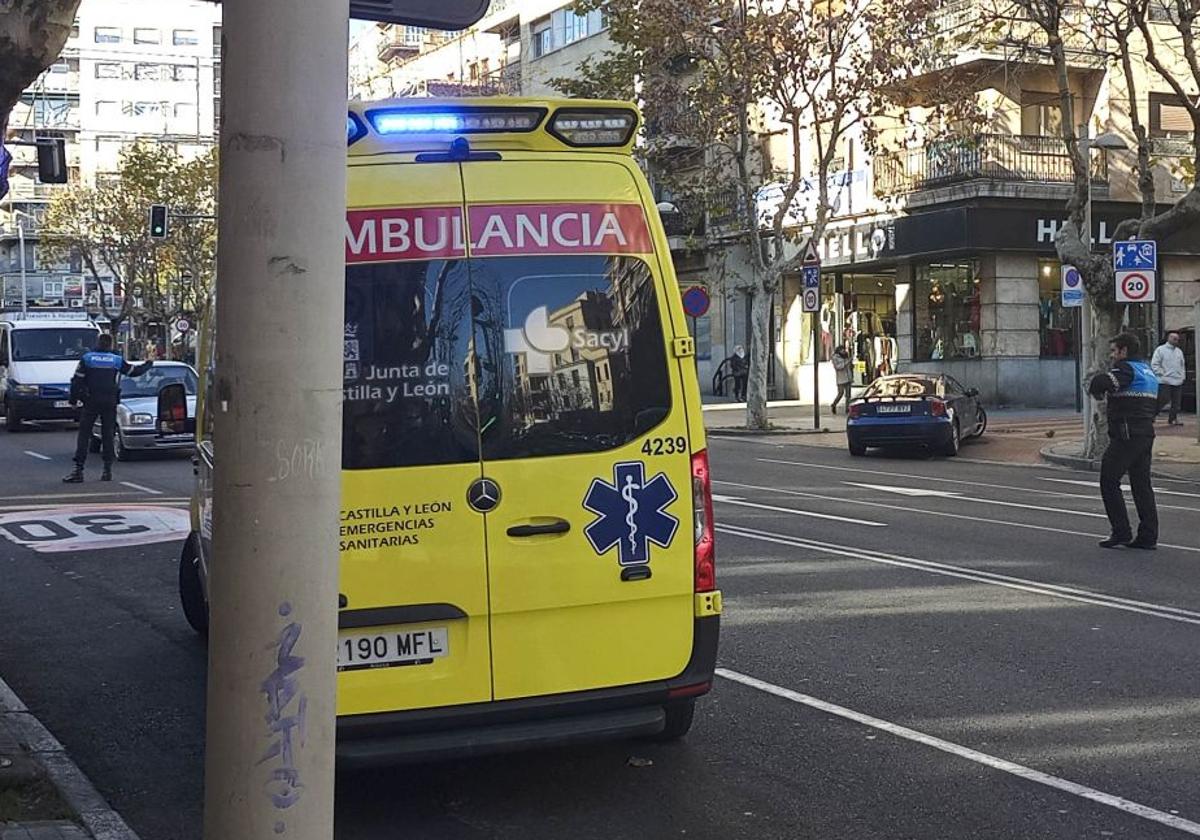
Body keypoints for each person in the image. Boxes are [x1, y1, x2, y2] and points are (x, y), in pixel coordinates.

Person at [1088, 332, 1159, 550]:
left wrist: (1097, 390)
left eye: (1113, 351)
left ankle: (1121, 531)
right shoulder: (1148, 371)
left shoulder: (1126, 368)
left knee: (1109, 480)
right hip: (1145, 433)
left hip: (1126, 434)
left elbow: (1103, 381)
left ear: (1124, 351)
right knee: (1141, 485)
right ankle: (1148, 536)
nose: (1111, 356)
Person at [63, 334, 153, 483]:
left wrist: (73, 400)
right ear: (111, 344)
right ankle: (107, 470)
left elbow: (76, 382)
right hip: (110, 401)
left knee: (84, 434)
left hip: (91, 400)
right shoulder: (116, 360)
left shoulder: (87, 358)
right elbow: (134, 372)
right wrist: (149, 364)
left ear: (98, 343)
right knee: (108, 435)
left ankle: (78, 470)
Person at [1150, 331, 1186, 426]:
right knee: (1162, 400)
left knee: (1176, 402)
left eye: (1177, 339)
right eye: (1174, 338)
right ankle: (1151, 416)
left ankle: (1173, 419)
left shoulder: (1179, 352)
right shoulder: (1160, 350)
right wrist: (1162, 373)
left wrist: (1182, 376)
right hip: (1164, 380)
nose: (1176, 341)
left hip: (1177, 380)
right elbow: (1155, 364)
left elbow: (1182, 365)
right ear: (1168, 338)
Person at [830, 346, 853, 414]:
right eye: (842, 350)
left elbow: (849, 367)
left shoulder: (846, 356)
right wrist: (846, 363)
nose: (844, 351)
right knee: (840, 393)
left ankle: (847, 408)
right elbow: (838, 367)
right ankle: (834, 404)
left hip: (848, 378)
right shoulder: (835, 358)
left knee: (848, 395)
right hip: (841, 379)